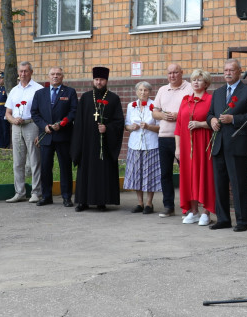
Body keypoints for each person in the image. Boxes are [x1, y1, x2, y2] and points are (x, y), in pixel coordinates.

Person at [207, 59, 247, 232]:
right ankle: (223, 218)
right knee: (220, 184)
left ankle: (242, 221)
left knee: (239, 184)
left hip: (237, 145)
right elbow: (210, 114)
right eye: (225, 70)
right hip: (219, 144)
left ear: (239, 72)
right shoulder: (218, 92)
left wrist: (234, 119)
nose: (228, 73)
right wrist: (212, 120)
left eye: (232, 70)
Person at [71, 66, 124, 212]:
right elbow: (79, 122)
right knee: (85, 171)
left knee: (102, 171)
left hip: (104, 144)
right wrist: (78, 144)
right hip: (87, 143)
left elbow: (119, 122)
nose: (98, 82)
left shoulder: (113, 98)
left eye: (101, 80)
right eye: (96, 79)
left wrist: (107, 128)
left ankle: (102, 201)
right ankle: (83, 202)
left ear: (106, 81)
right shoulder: (86, 98)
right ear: (93, 80)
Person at [31, 67, 78, 207]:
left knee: (65, 167)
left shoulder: (70, 92)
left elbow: (74, 111)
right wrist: (44, 126)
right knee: (45, 167)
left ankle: (66, 197)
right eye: (53, 74)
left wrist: (62, 124)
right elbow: (34, 113)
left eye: (58, 74)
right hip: (46, 136)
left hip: (63, 136)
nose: (55, 76)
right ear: (48, 76)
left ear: (62, 76)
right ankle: (46, 196)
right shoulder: (40, 93)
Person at [174, 69, 215, 225]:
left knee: (204, 176)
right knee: (188, 177)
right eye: (193, 80)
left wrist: (201, 124)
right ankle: (194, 211)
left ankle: (206, 212)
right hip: (185, 146)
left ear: (206, 83)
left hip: (204, 145)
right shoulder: (185, 100)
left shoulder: (211, 99)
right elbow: (178, 126)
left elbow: (214, 121)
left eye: (199, 80)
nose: (196, 82)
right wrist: (177, 148)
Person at [152, 63, 191, 217]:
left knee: (185, 173)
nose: (172, 76)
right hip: (164, 136)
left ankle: (187, 207)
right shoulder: (162, 90)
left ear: (182, 73)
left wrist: (179, 115)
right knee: (165, 173)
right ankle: (168, 206)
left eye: (175, 72)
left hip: (183, 137)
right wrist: (163, 116)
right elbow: (155, 112)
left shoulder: (189, 88)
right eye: (169, 73)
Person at [5, 62, 44, 203]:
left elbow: (43, 112)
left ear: (31, 72)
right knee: (17, 162)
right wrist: (13, 120)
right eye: (20, 71)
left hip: (32, 125)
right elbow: (8, 112)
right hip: (16, 127)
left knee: (35, 160)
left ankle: (36, 192)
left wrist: (41, 132)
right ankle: (20, 192)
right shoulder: (14, 90)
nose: (23, 74)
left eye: (26, 71)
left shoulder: (38, 89)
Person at [124, 81, 161, 214]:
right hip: (135, 145)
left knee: (150, 174)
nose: (142, 92)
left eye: (145, 90)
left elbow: (160, 127)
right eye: (140, 90)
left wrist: (149, 127)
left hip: (151, 145)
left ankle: (149, 203)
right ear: (136, 92)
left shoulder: (154, 106)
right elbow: (127, 124)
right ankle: (139, 202)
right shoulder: (131, 106)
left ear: (150, 92)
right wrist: (131, 127)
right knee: (137, 174)